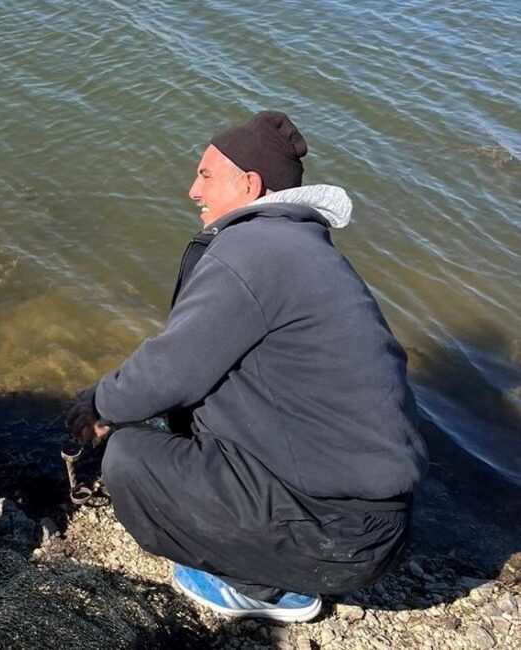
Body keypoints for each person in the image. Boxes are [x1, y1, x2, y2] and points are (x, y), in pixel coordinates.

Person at [66, 111, 427, 622]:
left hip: (339, 537)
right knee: (191, 411)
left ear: (250, 184)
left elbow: (171, 367)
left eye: (206, 175)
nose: (193, 189)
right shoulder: (302, 248)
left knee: (129, 459)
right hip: (372, 522)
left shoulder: (253, 251)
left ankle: (262, 587)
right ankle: (281, 563)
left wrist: (99, 403)